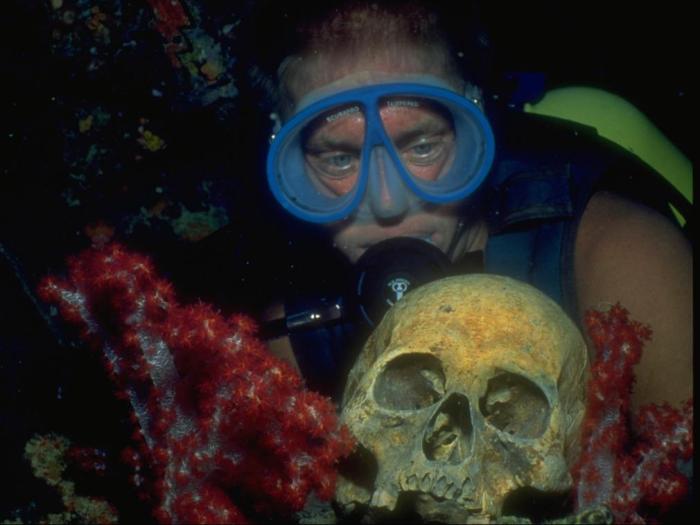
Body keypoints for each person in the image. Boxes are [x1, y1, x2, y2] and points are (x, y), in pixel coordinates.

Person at [249, 0, 692, 412]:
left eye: (423, 147)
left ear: (475, 131)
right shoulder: (292, 345)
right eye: (339, 159)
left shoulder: (622, 263)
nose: (387, 203)